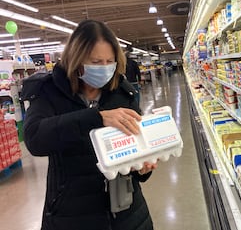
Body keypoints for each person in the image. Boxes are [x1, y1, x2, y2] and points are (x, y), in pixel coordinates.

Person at [21, 19, 157, 230]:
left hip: (126, 213)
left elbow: (137, 145)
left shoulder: (123, 92)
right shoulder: (49, 91)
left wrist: (142, 168)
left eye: (109, 61)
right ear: (76, 60)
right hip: (71, 213)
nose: (104, 68)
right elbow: (35, 138)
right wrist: (96, 118)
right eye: (95, 62)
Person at [124, 46, 142, 114]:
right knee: (136, 96)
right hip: (134, 82)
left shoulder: (122, 64)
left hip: (126, 83)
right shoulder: (134, 63)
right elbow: (138, 72)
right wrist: (140, 80)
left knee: (128, 96)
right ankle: (137, 108)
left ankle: (131, 109)